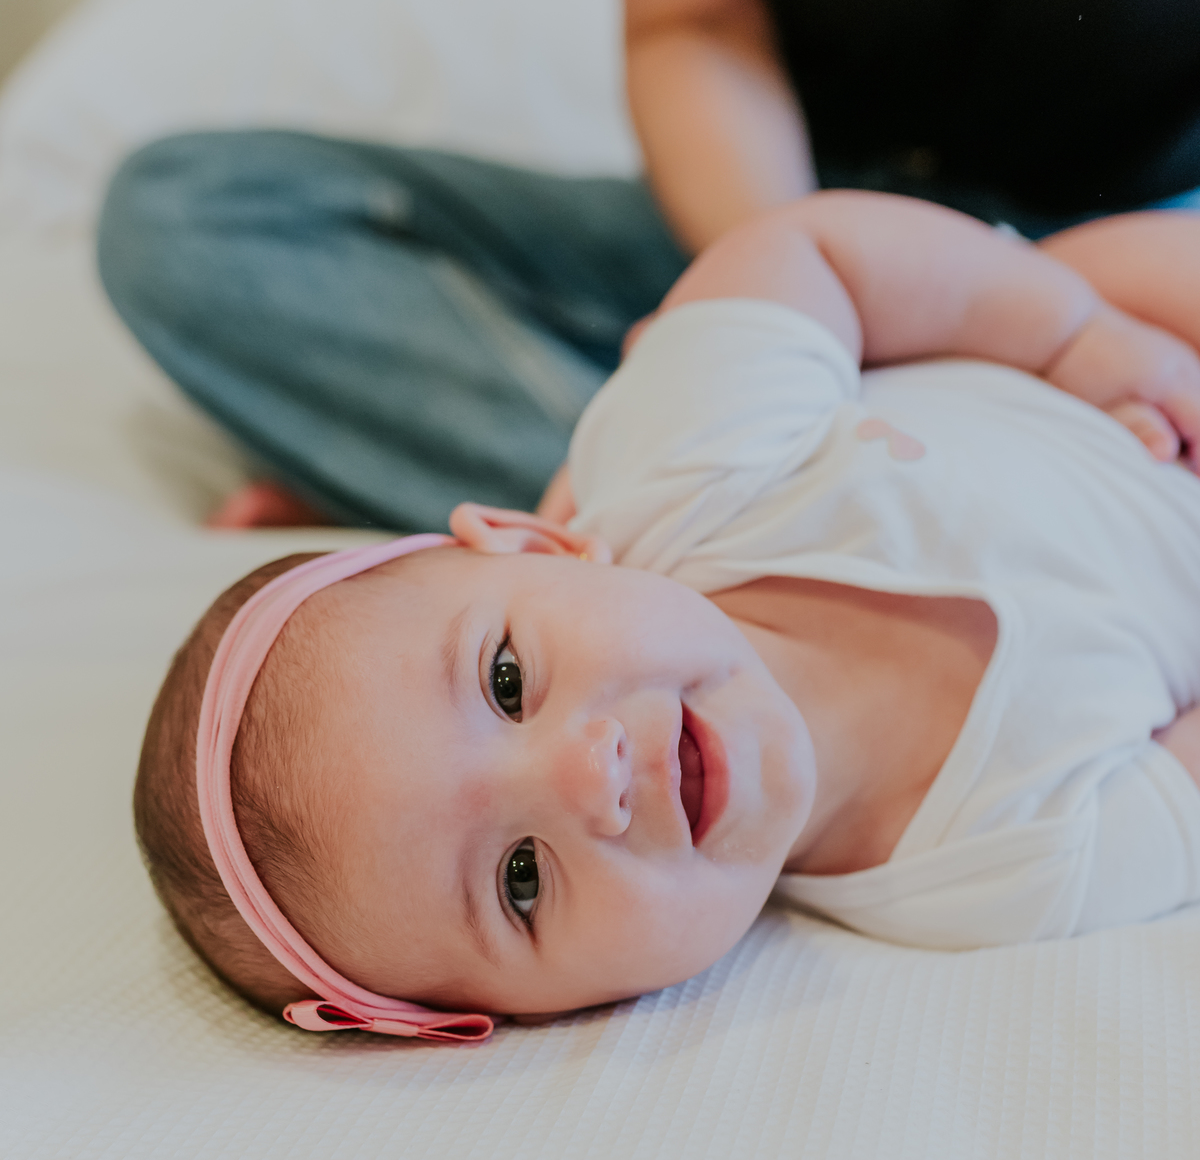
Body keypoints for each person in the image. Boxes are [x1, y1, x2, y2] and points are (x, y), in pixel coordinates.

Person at [134, 191, 1200, 1039]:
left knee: (1120, 269)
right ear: (550, 1011)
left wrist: (1077, 339)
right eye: (519, 881)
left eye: (507, 682)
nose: (584, 778)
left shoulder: (681, 466)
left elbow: (820, 254)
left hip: (1130, 363)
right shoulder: (997, 870)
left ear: (544, 546)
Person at [96, 0, 1200, 535]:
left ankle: (619, 513)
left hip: (1146, 245)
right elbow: (695, 27)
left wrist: (1044, 326)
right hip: (801, 217)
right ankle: (800, 514)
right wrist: (778, 324)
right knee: (191, 221)